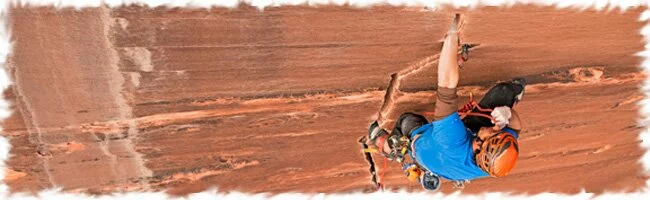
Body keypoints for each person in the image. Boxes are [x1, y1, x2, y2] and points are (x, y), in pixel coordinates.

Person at [367, 14, 525, 191]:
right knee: (504, 93)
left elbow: (446, 84)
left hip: (423, 147)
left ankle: (389, 148)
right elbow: (516, 127)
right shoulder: (494, 162)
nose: (497, 127)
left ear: (480, 146)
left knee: (407, 121)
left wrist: (452, 34)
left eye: (494, 132)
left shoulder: (451, 139)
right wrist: (508, 114)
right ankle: (510, 97)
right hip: (454, 155)